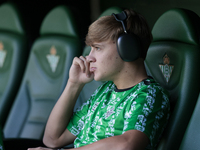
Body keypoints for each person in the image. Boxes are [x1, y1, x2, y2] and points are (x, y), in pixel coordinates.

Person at [29, 9, 170, 150]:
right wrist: (74, 84)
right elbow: (52, 139)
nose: (89, 57)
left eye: (97, 48)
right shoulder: (104, 91)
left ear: (127, 48)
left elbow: (127, 144)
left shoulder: (148, 95)